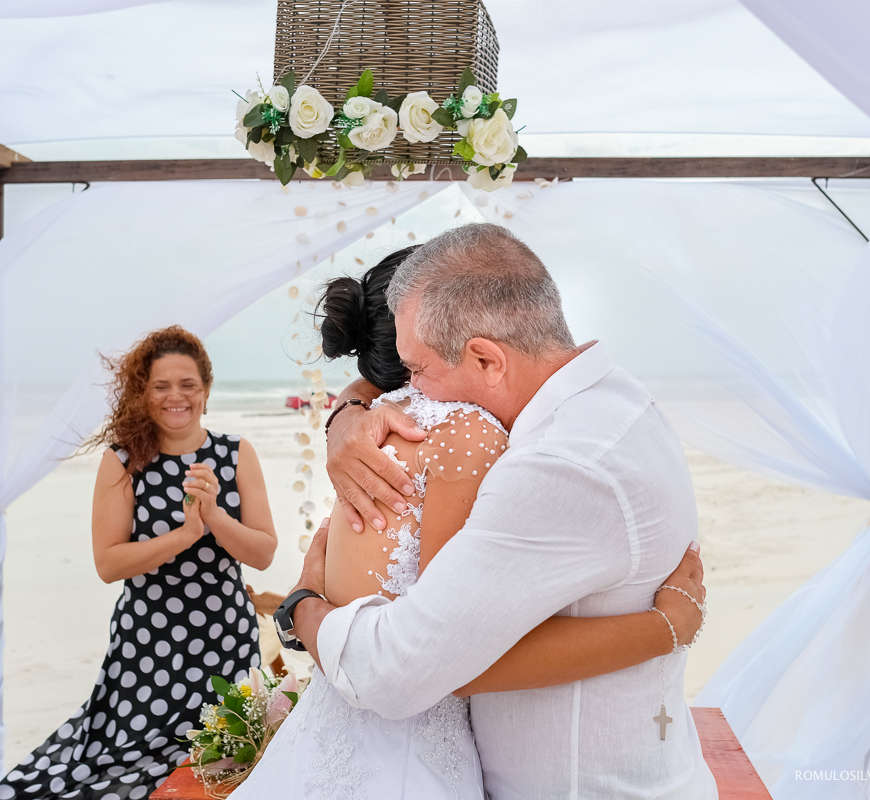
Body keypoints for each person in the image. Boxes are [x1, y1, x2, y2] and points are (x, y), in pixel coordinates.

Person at [264, 230, 718, 800]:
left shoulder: (557, 467)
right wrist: (348, 411)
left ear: (486, 358)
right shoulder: (615, 395)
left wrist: (301, 607)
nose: (410, 395)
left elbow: (405, 671)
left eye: (418, 371)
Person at [0, 326, 277, 800]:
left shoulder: (235, 453)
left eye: (187, 384)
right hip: (148, 645)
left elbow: (263, 552)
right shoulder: (123, 461)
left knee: (219, 769)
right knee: (121, 766)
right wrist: (184, 535)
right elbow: (109, 562)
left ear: (205, 388)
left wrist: (215, 516)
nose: (175, 397)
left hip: (225, 638)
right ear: (143, 393)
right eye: (161, 386)